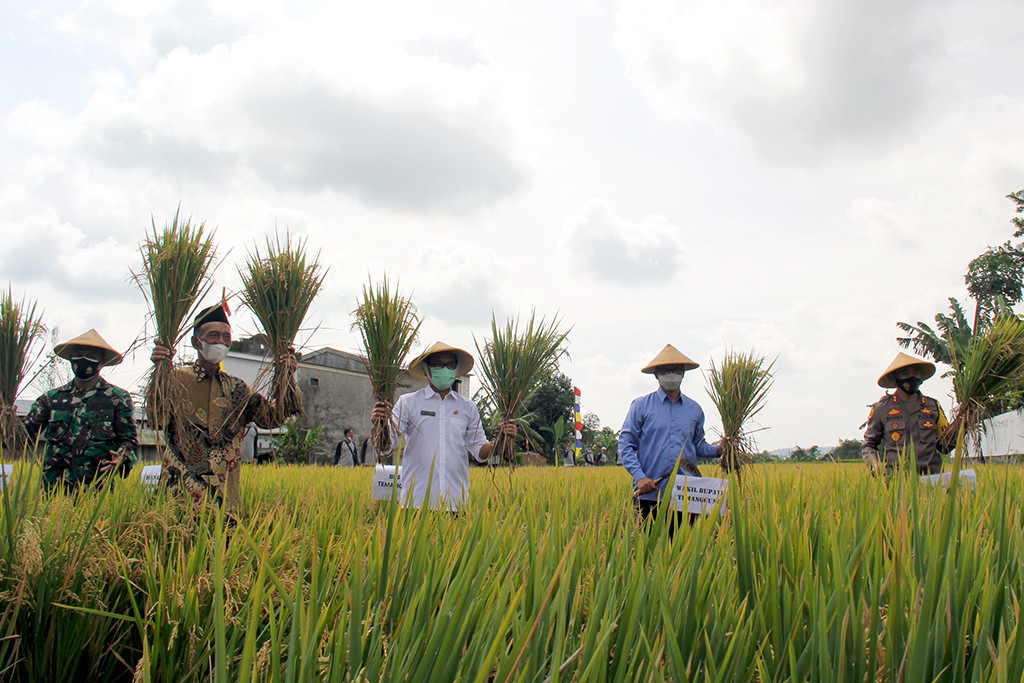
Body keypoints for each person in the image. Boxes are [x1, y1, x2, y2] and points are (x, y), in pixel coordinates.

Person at [148, 303, 301, 515]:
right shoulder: (176, 380)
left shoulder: (238, 389)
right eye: (213, 336)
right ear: (196, 342)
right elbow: (156, 420)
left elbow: (274, 419)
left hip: (225, 501)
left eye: (226, 337)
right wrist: (159, 369)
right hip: (178, 497)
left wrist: (285, 376)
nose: (220, 342)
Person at [370, 341, 516, 510]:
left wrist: (502, 440)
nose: (445, 369)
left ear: (456, 370)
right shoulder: (408, 403)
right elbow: (387, 446)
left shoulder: (467, 408)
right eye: (438, 364)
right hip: (416, 501)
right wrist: (380, 425)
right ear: (427, 369)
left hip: (454, 502)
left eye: (450, 365)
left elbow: (479, 451)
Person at [618, 344, 725, 527]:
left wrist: (720, 450)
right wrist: (640, 477)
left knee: (683, 550)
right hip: (650, 493)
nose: (671, 375)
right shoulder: (641, 406)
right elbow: (625, 446)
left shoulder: (694, 409)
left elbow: (697, 445)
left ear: (683, 373)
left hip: (686, 496)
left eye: (676, 370)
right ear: (656, 375)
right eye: (666, 371)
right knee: (647, 550)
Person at [24, 329, 138, 492]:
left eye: (90, 355)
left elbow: (129, 440)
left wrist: (121, 458)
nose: (83, 360)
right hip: (53, 491)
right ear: (71, 359)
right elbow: (23, 435)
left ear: (101, 362)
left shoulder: (117, 398)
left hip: (96, 490)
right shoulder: (51, 398)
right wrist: (6, 421)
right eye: (78, 355)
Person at [862, 352, 952, 475]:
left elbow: (945, 447)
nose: (912, 377)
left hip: (932, 479)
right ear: (895, 378)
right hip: (897, 481)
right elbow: (869, 445)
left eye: (915, 373)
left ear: (920, 378)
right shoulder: (882, 408)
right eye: (905, 373)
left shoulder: (933, 406)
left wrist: (963, 424)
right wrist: (874, 464)